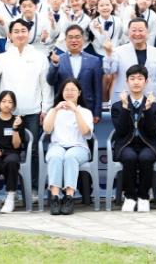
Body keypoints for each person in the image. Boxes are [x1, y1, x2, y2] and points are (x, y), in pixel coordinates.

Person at [0, 19, 53, 188]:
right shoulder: (3, 57)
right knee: (9, 151)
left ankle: (33, 188)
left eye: (23, 31)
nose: (20, 34)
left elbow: (46, 86)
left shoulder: (39, 57)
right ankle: (11, 189)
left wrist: (46, 109)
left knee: (33, 150)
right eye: (16, 31)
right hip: (9, 114)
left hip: (32, 112)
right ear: (9, 35)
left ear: (28, 33)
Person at [110, 65, 156, 212]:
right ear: (127, 81)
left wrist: (148, 109)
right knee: (129, 157)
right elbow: (120, 132)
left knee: (146, 158)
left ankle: (144, 196)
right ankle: (130, 196)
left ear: (146, 82)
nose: (136, 82)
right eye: (132, 78)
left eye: (140, 78)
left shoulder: (154, 106)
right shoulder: (118, 106)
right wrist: (125, 107)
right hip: (126, 144)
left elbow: (153, 132)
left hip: (148, 144)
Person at [43, 78, 94, 215]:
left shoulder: (85, 112)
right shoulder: (54, 110)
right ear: (61, 92)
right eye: (66, 90)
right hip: (57, 146)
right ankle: (55, 197)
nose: (70, 92)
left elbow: (85, 132)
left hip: (79, 147)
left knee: (70, 157)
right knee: (55, 157)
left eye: (73, 90)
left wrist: (75, 111)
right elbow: (47, 129)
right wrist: (55, 110)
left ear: (79, 93)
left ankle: (69, 197)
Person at [104, 18, 156, 119]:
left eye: (140, 30)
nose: (137, 33)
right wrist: (108, 54)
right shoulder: (117, 52)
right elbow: (109, 70)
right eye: (133, 30)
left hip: (152, 102)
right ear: (128, 32)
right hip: (124, 102)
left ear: (147, 32)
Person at [47, 24, 104, 122]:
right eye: (70, 37)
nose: (74, 40)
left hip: (87, 108)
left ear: (83, 39)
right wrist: (55, 65)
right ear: (65, 40)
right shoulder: (58, 59)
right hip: (63, 107)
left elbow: (98, 89)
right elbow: (51, 81)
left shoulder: (94, 61)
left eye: (77, 37)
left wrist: (97, 112)